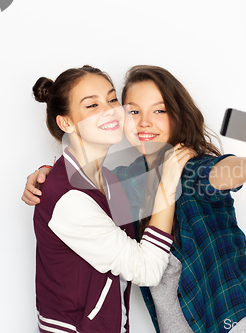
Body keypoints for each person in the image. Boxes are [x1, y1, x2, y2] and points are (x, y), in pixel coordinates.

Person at [23, 65, 246, 333]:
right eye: (133, 111)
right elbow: (82, 192)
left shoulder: (188, 167)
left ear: (177, 115)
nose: (144, 121)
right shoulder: (124, 181)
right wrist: (47, 174)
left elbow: (216, 174)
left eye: (159, 110)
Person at [30, 65, 195, 333]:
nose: (109, 110)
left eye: (112, 99)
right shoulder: (68, 199)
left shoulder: (108, 179)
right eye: (92, 105)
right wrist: (169, 179)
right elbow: (148, 270)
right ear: (66, 123)